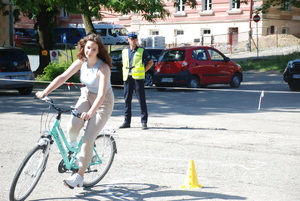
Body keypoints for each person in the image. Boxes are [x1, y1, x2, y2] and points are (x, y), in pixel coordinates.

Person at [36, 33, 114, 188]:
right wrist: (45, 92)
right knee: (72, 125)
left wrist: (91, 112)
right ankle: (75, 150)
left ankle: (79, 175)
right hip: (86, 96)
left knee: (87, 139)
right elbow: (63, 77)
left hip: (102, 103)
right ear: (84, 46)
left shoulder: (103, 68)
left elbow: (101, 94)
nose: (89, 51)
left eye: (93, 49)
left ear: (98, 51)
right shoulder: (81, 62)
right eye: (88, 47)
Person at [119, 32, 153, 130]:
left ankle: (144, 122)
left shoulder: (142, 51)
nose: (132, 41)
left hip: (138, 78)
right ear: (128, 40)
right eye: (130, 39)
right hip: (127, 78)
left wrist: (143, 70)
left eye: (134, 39)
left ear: (137, 40)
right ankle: (126, 121)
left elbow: (150, 62)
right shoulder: (124, 51)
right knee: (127, 100)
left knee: (141, 100)